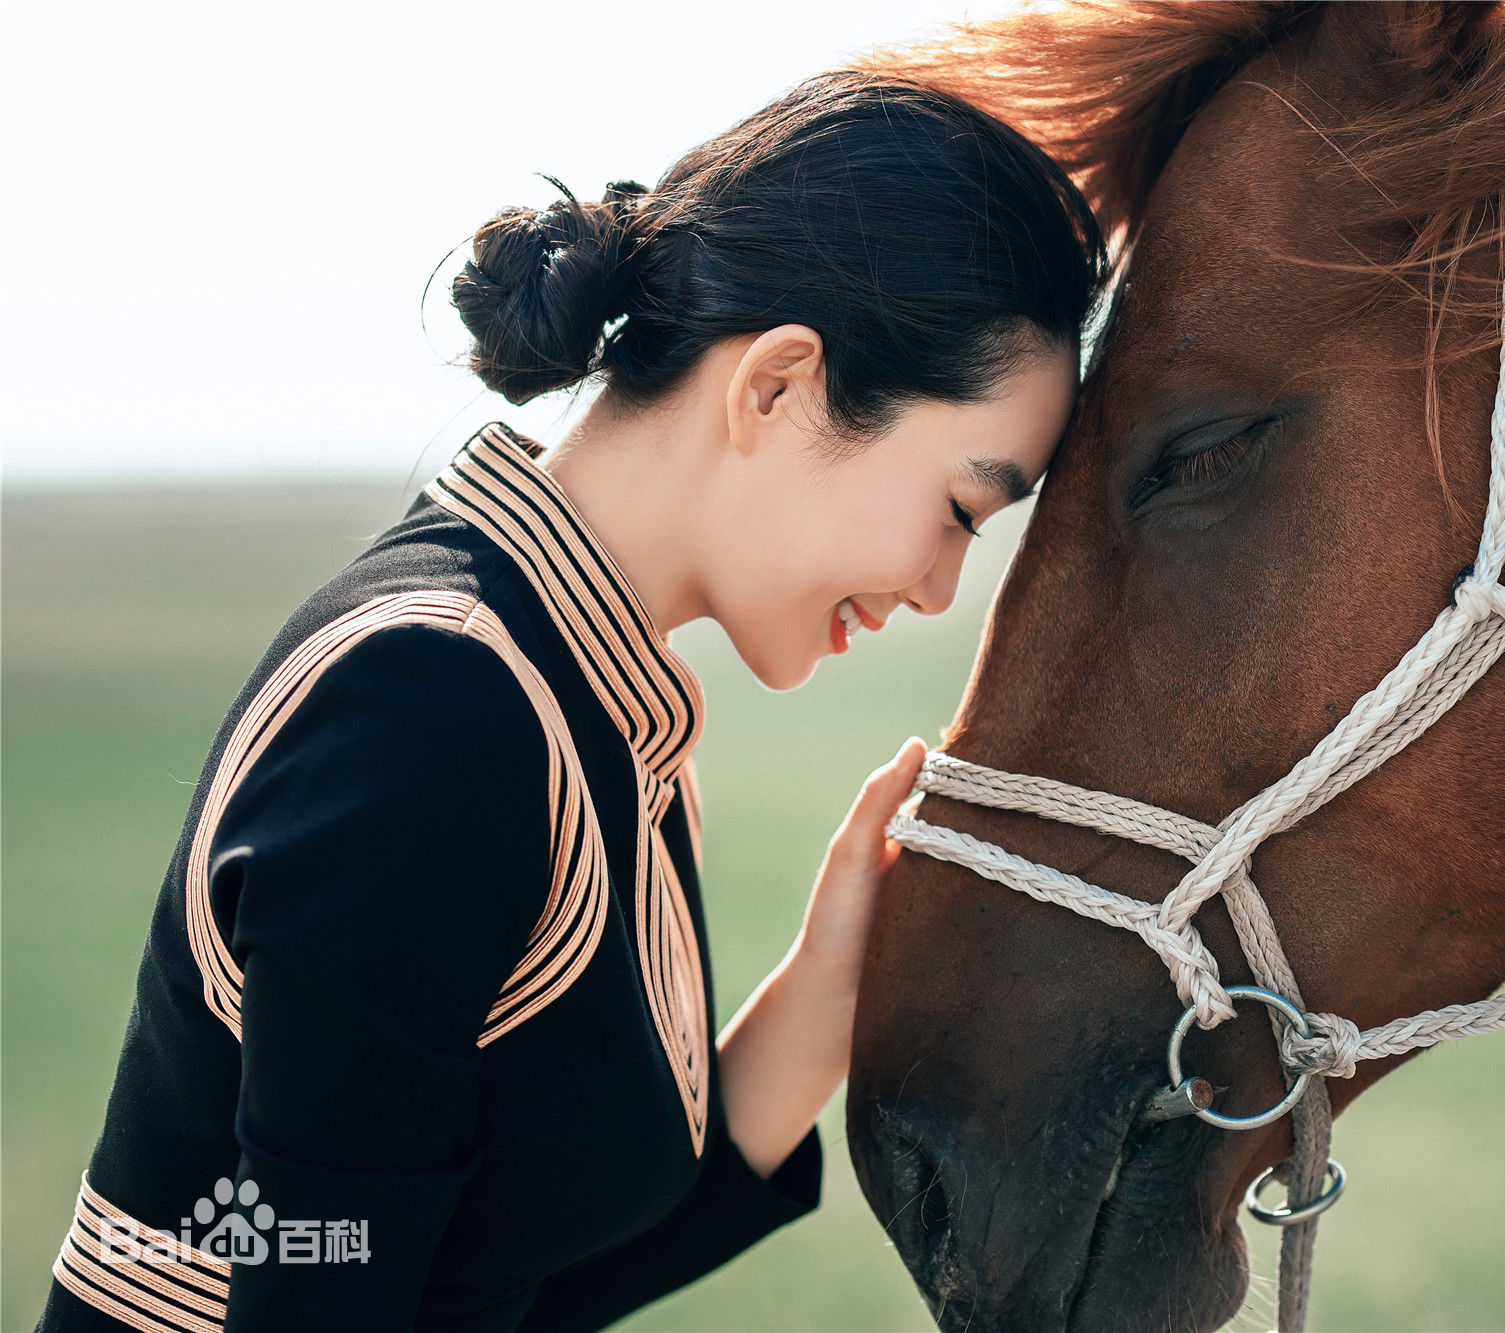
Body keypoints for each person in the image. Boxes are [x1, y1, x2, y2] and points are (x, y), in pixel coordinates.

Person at [36, 69, 1105, 1333]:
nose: (940, 590)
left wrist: (828, 989)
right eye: (956, 512)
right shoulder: (436, 704)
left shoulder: (577, 700)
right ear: (777, 385)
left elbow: (473, 1285)